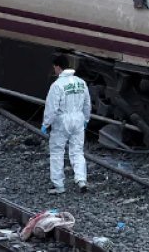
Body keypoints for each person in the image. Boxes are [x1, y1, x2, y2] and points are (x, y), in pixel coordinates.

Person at [41, 54, 91, 194]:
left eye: (54, 67)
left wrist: (46, 124)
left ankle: (59, 186)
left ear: (58, 67)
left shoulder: (57, 85)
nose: (54, 70)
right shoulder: (81, 82)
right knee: (77, 151)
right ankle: (81, 180)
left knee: (57, 152)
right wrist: (86, 119)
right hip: (79, 119)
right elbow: (87, 104)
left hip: (62, 121)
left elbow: (51, 108)